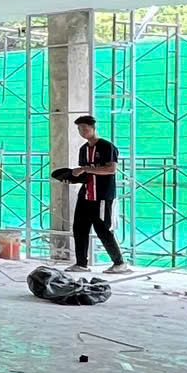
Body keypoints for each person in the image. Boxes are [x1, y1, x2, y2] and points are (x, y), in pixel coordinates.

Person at [55, 114, 124, 269]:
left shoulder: (107, 147)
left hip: (102, 195)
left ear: (93, 128)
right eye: (79, 129)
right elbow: (86, 175)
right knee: (79, 228)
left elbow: (111, 169)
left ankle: (119, 263)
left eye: (85, 128)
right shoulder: (83, 149)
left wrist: (85, 169)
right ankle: (81, 263)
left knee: (103, 229)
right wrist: (72, 178)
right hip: (86, 194)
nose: (82, 132)